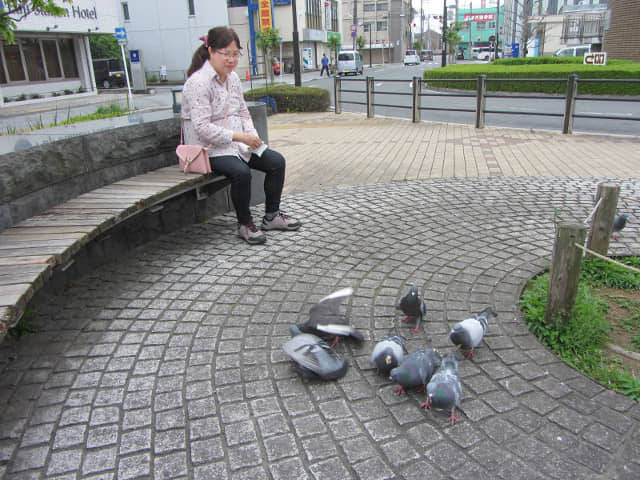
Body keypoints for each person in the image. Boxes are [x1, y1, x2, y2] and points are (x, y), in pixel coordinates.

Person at [181, 26, 301, 245]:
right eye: (225, 53)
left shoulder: (233, 78)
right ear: (210, 51)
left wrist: (253, 138)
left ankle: (271, 216)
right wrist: (240, 137)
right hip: (208, 149)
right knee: (241, 173)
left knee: (276, 161)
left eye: (236, 54)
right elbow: (201, 128)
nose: (231, 59)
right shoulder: (197, 83)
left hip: (238, 144)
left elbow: (243, 111)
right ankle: (245, 224)